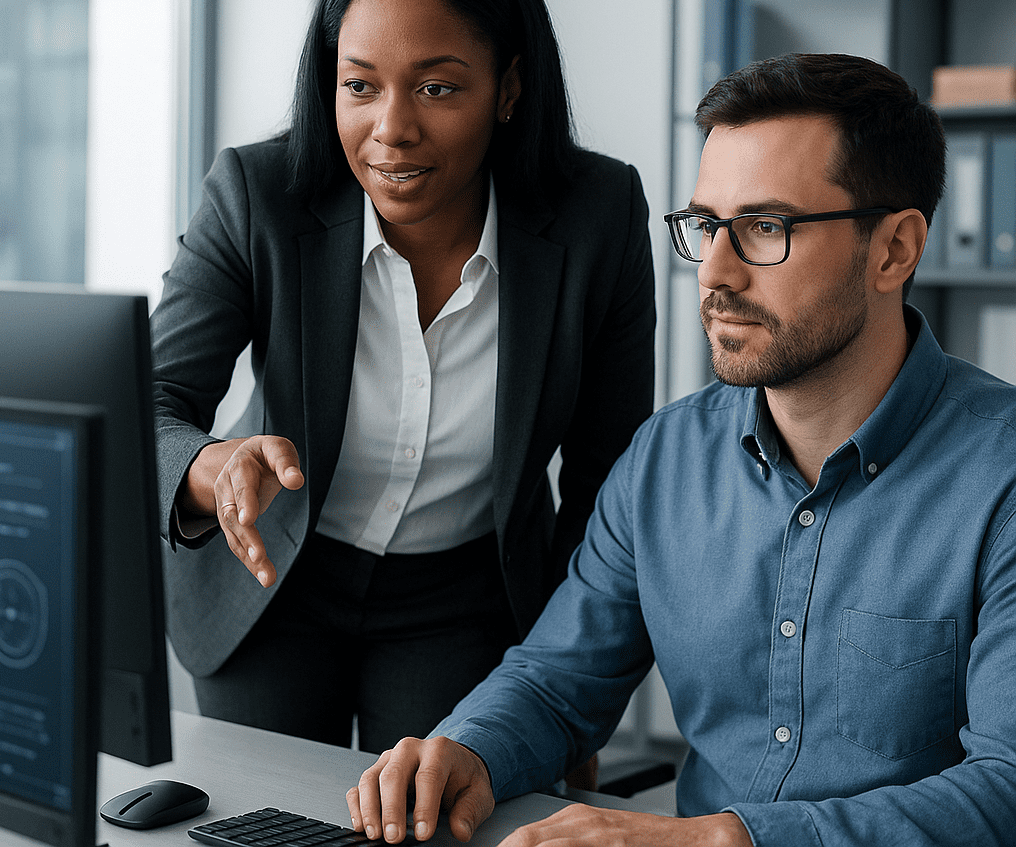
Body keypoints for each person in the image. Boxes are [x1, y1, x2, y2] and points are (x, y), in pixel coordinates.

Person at [348, 53, 1016, 847]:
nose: (715, 274)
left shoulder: (999, 477)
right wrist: (468, 751)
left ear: (894, 250)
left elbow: (1006, 788)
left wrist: (726, 839)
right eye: (706, 227)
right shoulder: (667, 459)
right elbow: (560, 679)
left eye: (767, 227)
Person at [150, 0, 655, 755]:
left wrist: (565, 703)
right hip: (272, 574)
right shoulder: (258, 193)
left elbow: (606, 478)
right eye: (360, 86)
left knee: (430, 820)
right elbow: (154, 400)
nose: (391, 129)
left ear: (510, 87)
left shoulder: (597, 217)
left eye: (437, 87)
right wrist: (208, 467)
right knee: (260, 821)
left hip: (463, 595)